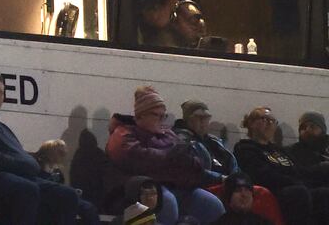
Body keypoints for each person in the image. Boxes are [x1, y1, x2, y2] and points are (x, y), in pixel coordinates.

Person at [0, 72, 79, 225]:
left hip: (10, 177)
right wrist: (25, 165)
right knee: (27, 189)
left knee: (68, 195)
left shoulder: (0, 127)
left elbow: (17, 154)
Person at [106, 85, 224, 225]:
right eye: (157, 115)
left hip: (177, 185)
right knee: (166, 202)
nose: (162, 119)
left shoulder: (168, 134)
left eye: (164, 115)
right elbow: (139, 160)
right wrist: (171, 158)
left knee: (212, 204)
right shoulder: (123, 133)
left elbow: (188, 161)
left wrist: (215, 176)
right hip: (139, 191)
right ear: (141, 115)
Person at [234, 107, 329, 225]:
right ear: (251, 123)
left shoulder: (279, 150)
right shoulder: (245, 148)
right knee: (299, 192)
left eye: (273, 121)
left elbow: (298, 170)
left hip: (295, 186)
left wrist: (321, 169)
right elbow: (262, 174)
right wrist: (296, 181)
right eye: (264, 119)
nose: (269, 123)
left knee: (324, 193)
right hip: (273, 190)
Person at [175, 102, 239, 179]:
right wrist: (220, 178)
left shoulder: (214, 141)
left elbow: (232, 163)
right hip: (201, 185)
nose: (203, 122)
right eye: (198, 118)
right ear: (188, 120)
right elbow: (192, 170)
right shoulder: (182, 141)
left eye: (206, 118)